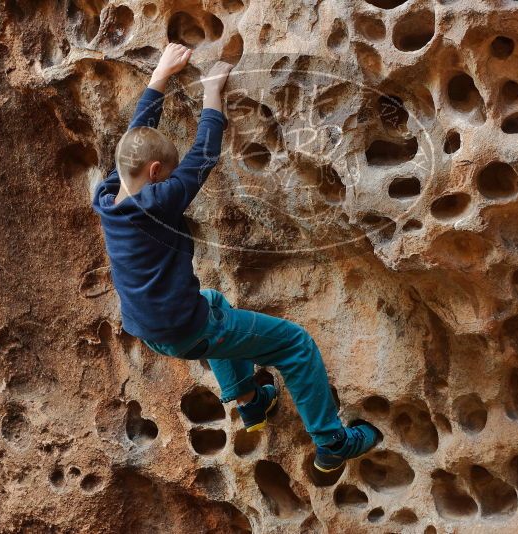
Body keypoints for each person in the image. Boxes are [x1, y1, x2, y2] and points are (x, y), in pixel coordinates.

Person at [92, 43, 379, 472]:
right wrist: (212, 92)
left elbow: (135, 138)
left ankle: (251, 402)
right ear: (155, 174)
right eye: (165, 175)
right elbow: (203, 155)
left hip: (149, 328)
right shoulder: (159, 201)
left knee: (213, 301)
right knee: (296, 344)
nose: (169, 180)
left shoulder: (109, 194)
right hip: (186, 329)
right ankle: (331, 442)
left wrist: (160, 77)